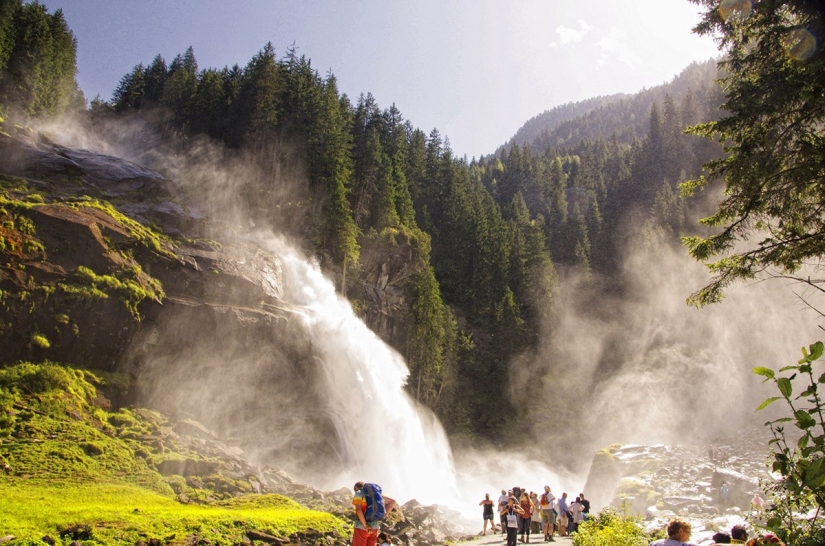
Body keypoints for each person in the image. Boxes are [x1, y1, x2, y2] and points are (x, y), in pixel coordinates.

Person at [352, 481, 397, 546]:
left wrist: (365, 526)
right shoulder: (376, 495)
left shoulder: (359, 493)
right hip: (375, 527)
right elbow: (392, 501)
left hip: (361, 527)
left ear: (356, 488)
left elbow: (359, 510)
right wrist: (384, 515)